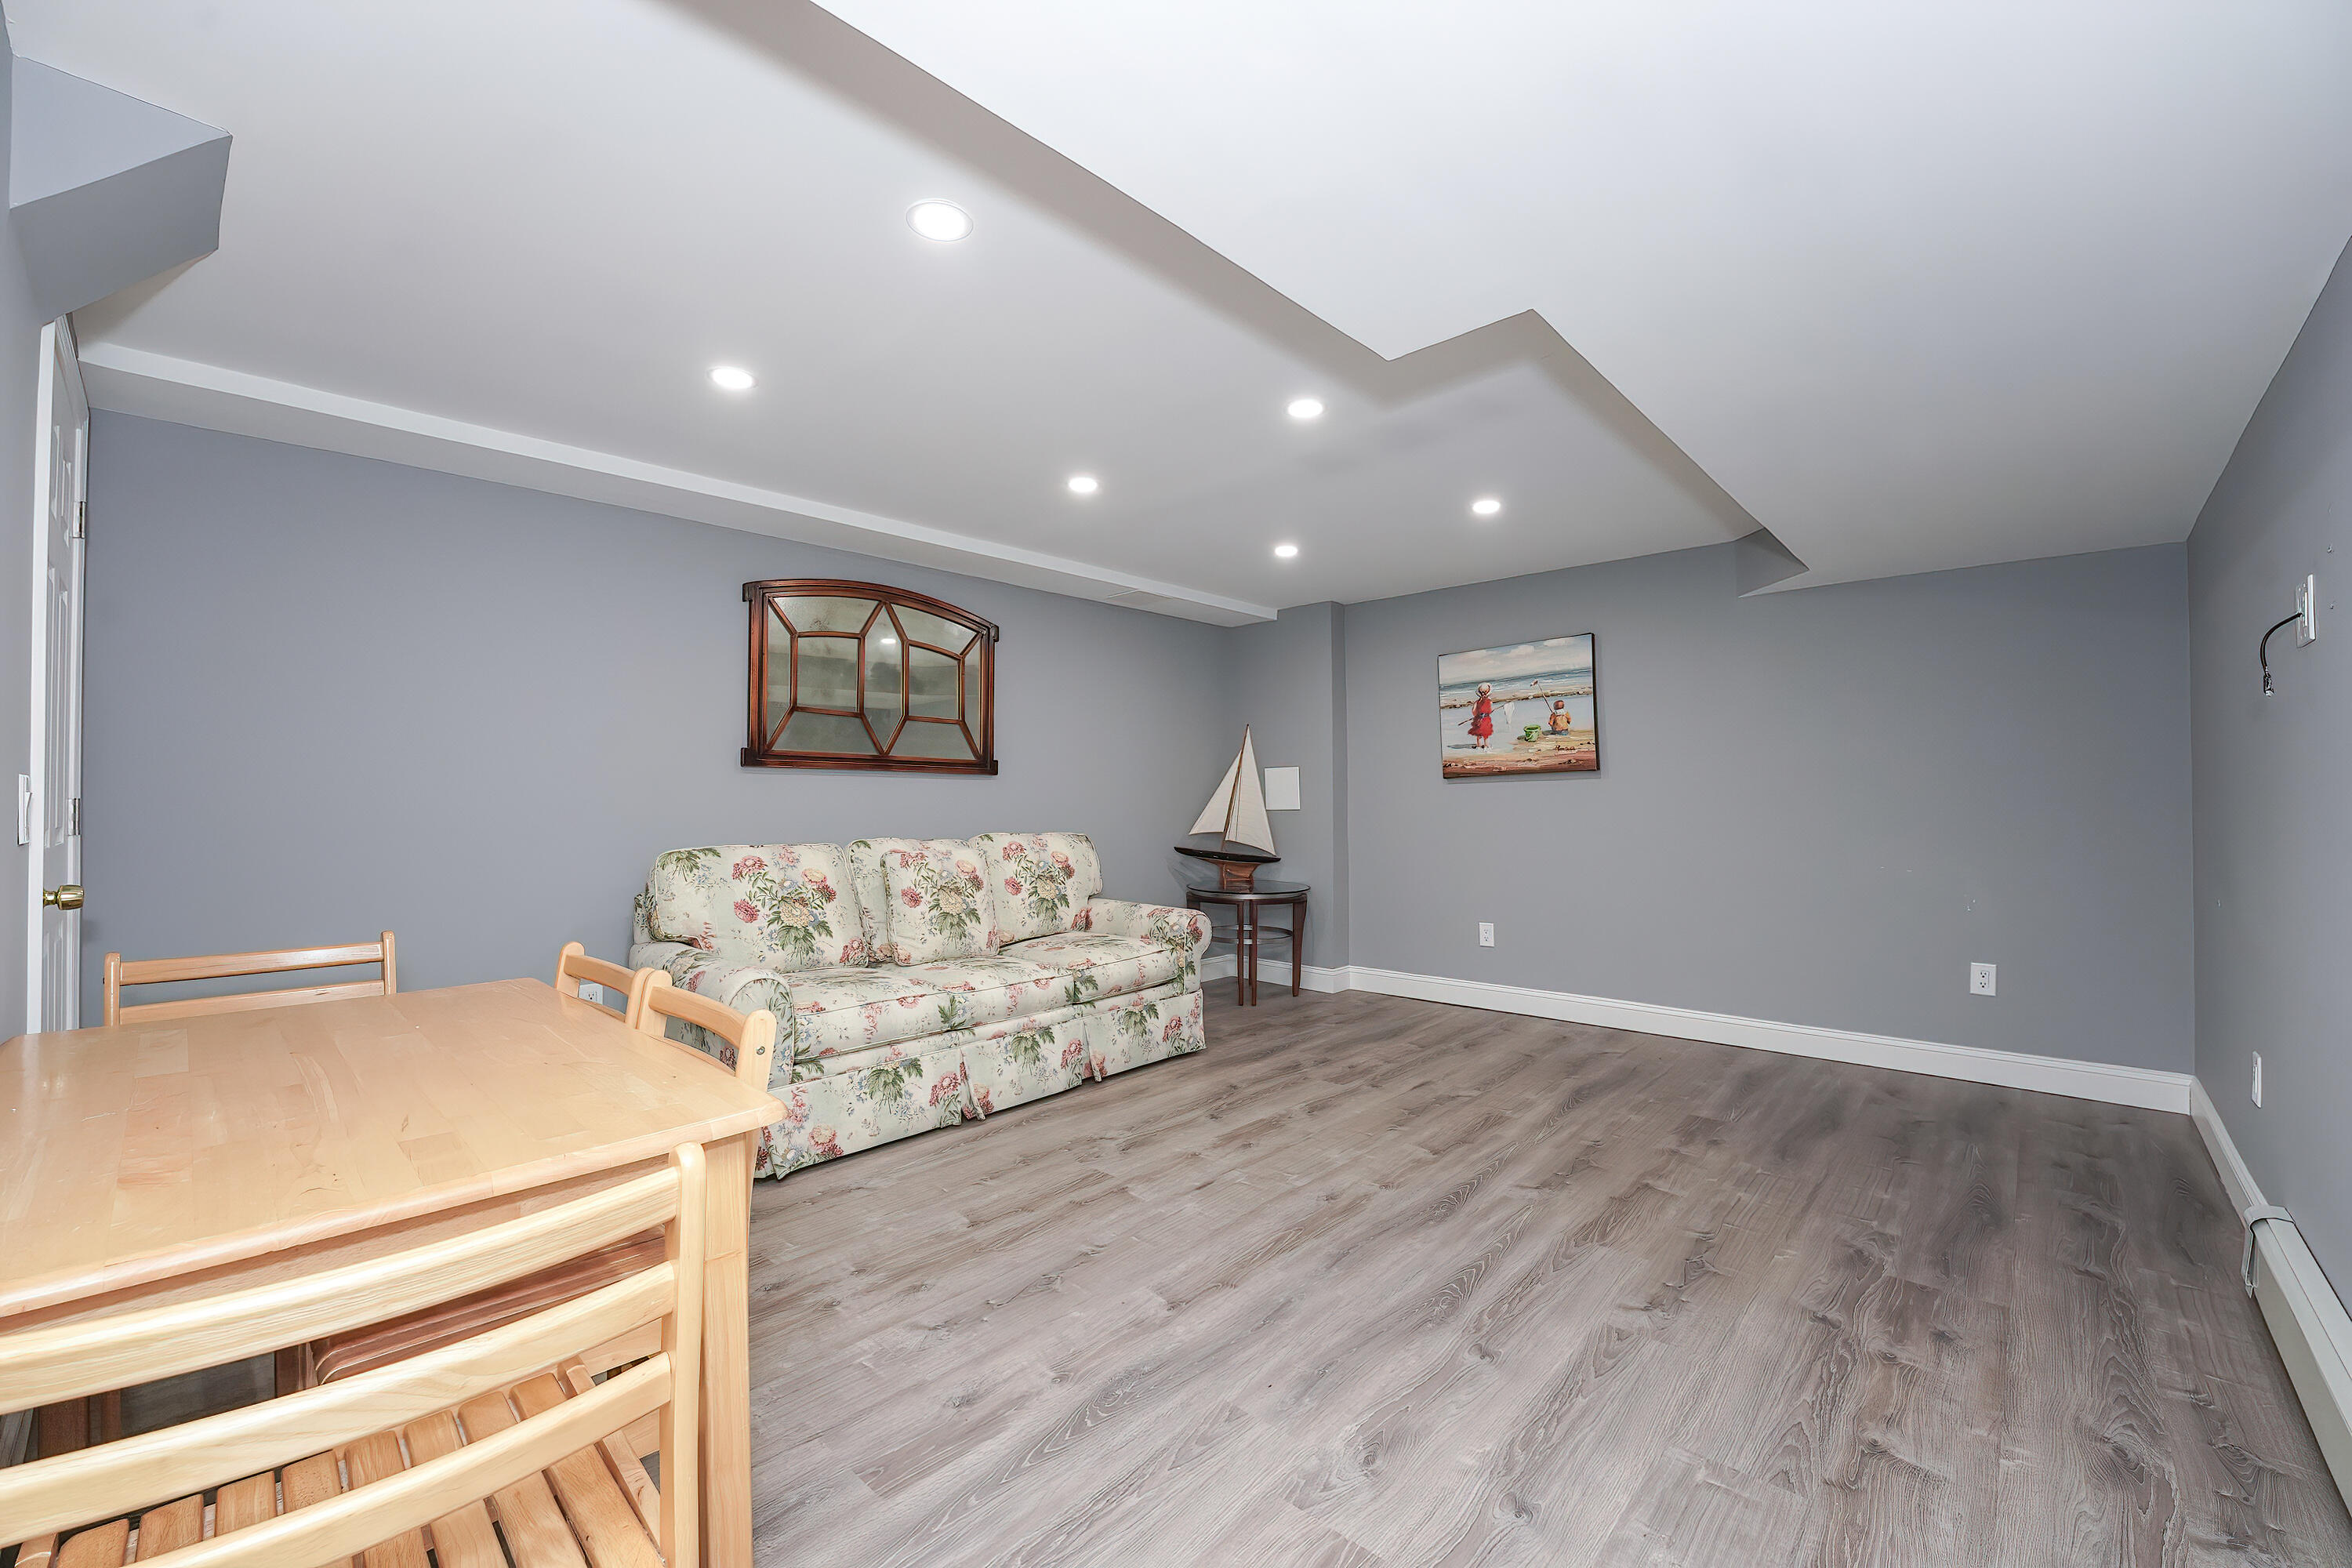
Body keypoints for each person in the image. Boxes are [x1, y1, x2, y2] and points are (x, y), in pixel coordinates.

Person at [1468, 682, 1495, 749]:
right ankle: (1484, 746)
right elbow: (1490, 710)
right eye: (1483, 692)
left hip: (1482, 719)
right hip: (1483, 719)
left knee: (1481, 734)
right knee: (1483, 734)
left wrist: (1477, 716)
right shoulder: (1488, 701)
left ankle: (1482, 746)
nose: (1484, 694)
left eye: (1484, 692)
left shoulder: (1478, 702)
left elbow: (1474, 711)